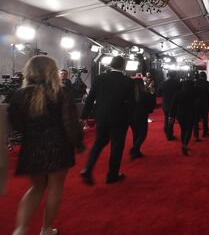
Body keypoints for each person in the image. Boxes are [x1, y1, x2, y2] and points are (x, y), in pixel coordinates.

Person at [7, 56, 84, 235]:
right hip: (59, 146)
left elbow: (15, 124)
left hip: (32, 147)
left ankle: (20, 229)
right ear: (52, 70)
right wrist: (78, 143)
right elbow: (70, 122)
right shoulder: (61, 92)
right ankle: (46, 229)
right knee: (55, 187)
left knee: (35, 188)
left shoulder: (19, 94)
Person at [80, 56, 133, 185]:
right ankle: (112, 175)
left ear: (111, 65)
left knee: (99, 142)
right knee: (117, 146)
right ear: (123, 66)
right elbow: (130, 103)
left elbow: (90, 98)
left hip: (101, 116)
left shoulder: (99, 78)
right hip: (119, 118)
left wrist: (84, 115)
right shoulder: (128, 81)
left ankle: (88, 168)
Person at [129, 78, 156, 159]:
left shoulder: (130, 95)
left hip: (132, 117)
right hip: (142, 116)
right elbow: (152, 105)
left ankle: (136, 151)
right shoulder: (145, 94)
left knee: (135, 133)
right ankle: (135, 149)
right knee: (143, 134)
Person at [169, 80, 197, 155]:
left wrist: (171, 116)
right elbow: (196, 104)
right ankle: (185, 144)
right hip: (190, 113)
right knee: (189, 130)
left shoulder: (178, 93)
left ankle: (183, 144)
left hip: (180, 114)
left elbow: (173, 105)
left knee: (183, 129)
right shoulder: (193, 93)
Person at [157, 71, 180, 140]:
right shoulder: (178, 84)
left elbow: (158, 94)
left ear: (167, 75)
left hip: (165, 104)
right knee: (171, 119)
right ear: (175, 75)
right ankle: (169, 134)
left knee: (166, 117)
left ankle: (166, 131)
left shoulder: (162, 83)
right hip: (174, 104)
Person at [193, 72, 209, 140]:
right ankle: (205, 132)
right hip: (205, 103)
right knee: (205, 119)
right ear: (205, 76)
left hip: (196, 104)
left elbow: (192, 94)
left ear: (199, 76)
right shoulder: (208, 83)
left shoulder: (195, 83)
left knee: (196, 119)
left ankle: (196, 134)